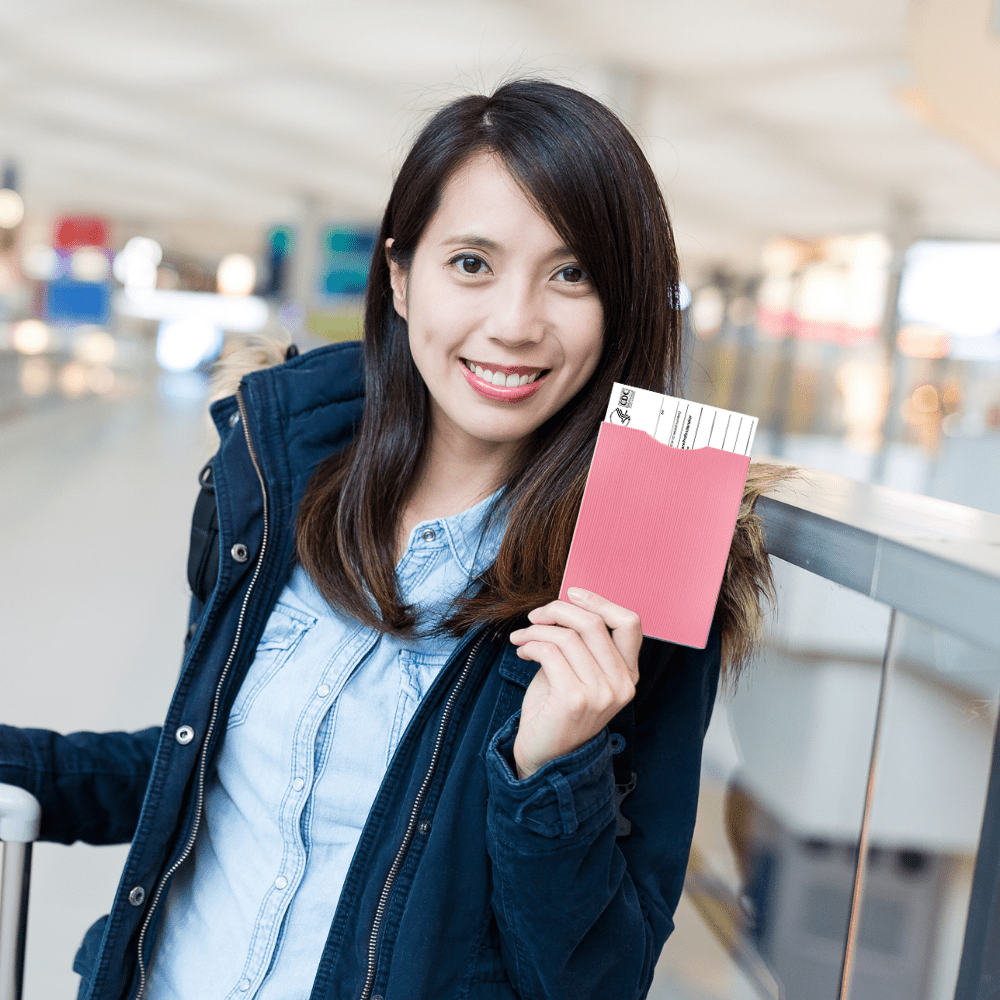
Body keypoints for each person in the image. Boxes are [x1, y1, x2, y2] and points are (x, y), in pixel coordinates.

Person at [0, 79, 781, 1000]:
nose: (516, 322)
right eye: (472, 264)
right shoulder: (279, 477)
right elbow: (207, 765)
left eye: (572, 274)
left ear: (625, 307)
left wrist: (552, 769)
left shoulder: (633, 577)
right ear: (402, 276)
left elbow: (596, 980)